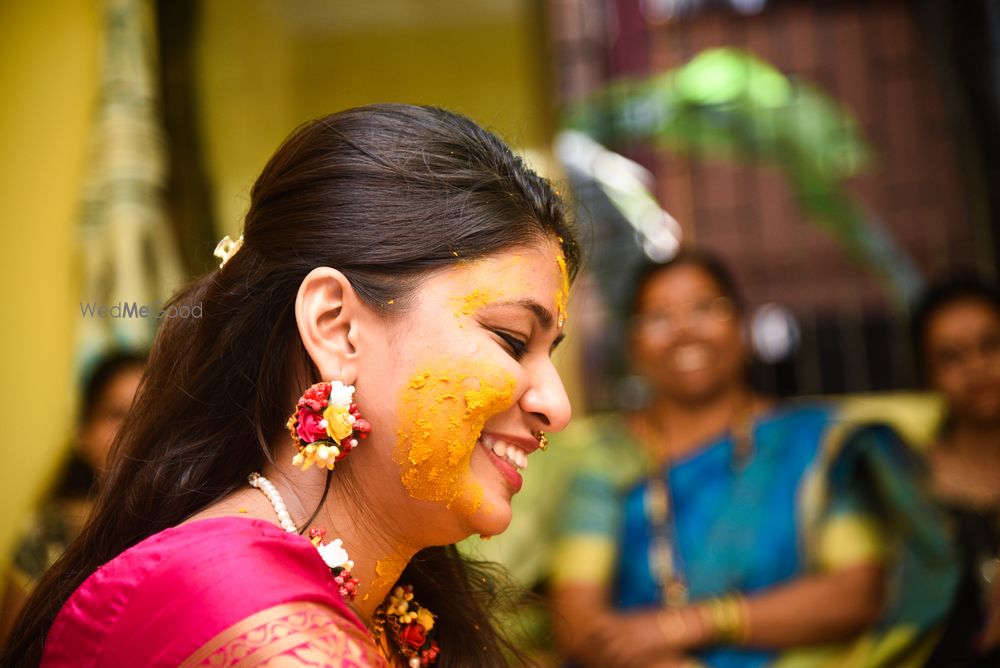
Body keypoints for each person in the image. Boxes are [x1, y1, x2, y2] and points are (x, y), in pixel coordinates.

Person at [2, 104, 579, 668]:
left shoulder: (388, 603)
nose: (557, 405)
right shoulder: (228, 600)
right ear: (336, 329)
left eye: (548, 353)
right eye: (510, 339)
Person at [549, 250, 957, 668]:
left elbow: (857, 593)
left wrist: (694, 623)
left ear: (740, 327)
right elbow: (578, 623)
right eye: (658, 317)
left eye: (705, 308)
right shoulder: (607, 457)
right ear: (634, 347)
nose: (685, 331)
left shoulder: (812, 442)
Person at [0, 351, 144, 647]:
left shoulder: (184, 525)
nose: (132, 430)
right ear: (82, 432)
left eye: (147, 414)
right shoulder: (52, 531)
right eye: (115, 414)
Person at [914, 278, 1000, 666]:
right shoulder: (908, 483)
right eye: (951, 356)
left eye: (991, 346)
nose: (977, 367)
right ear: (928, 376)